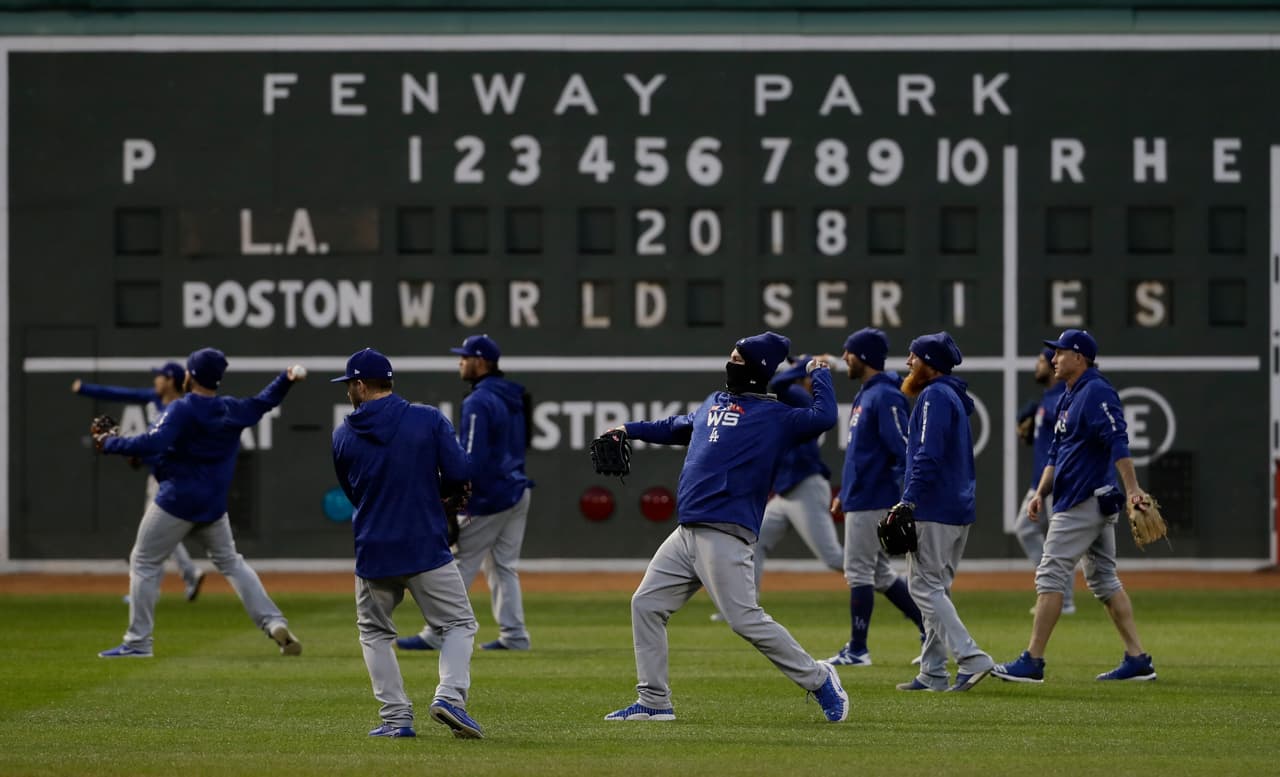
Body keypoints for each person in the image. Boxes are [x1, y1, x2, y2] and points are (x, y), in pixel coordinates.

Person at [603, 332, 848, 723]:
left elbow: (825, 416)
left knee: (744, 619)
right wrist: (628, 429)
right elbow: (674, 426)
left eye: (737, 357)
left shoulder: (776, 417)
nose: (730, 362)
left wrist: (818, 372)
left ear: (756, 367)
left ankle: (819, 679)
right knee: (646, 604)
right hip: (687, 530)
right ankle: (654, 701)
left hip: (726, 529)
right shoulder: (714, 402)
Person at [93, 348, 302, 659]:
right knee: (232, 563)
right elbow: (265, 401)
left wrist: (111, 442)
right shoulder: (231, 409)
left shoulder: (183, 408)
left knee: (144, 561)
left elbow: (153, 442)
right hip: (213, 505)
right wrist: (286, 379)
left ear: (190, 375)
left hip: (176, 501)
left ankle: (138, 643)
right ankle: (273, 622)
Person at [331, 348, 485, 739]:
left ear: (361, 385)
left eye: (349, 384)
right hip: (424, 544)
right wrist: (440, 494)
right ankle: (449, 696)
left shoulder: (342, 435)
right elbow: (459, 472)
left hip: (373, 548)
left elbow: (353, 493)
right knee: (459, 624)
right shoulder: (428, 419)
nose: (348, 391)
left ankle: (396, 718)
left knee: (375, 633)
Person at [994, 329, 1157, 684]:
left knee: (1050, 574)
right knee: (1104, 580)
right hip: (1075, 497)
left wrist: (1132, 489)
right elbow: (1056, 453)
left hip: (1085, 498)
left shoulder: (1097, 391)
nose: (1054, 358)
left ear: (1079, 357)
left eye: (1061, 352)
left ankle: (1033, 660)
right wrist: (1040, 492)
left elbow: (1118, 440)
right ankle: (1138, 659)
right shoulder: (1070, 394)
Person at [397, 334, 533, 652]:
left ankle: (437, 632)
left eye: (465, 357)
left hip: (489, 497)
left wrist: (452, 489)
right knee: (503, 566)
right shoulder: (512, 394)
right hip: (517, 487)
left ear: (481, 362)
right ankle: (514, 635)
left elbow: (470, 457)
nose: (460, 362)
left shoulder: (478, 401)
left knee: (458, 563)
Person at [892, 332, 995, 693]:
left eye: (914, 356)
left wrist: (908, 500)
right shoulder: (951, 395)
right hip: (955, 507)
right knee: (937, 589)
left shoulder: (935, 395)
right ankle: (933, 671)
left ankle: (971, 657)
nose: (908, 362)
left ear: (931, 363)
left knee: (923, 587)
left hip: (933, 506)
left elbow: (928, 453)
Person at [824, 328, 926, 667]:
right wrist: (845, 491)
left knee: (858, 572)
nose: (844, 357)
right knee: (880, 574)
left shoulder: (884, 396)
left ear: (864, 356)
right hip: (861, 495)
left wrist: (900, 492)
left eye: (849, 351)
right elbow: (861, 454)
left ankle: (858, 649)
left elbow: (903, 448)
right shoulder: (867, 394)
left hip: (873, 497)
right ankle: (929, 628)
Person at [73, 363, 205, 601]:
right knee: (159, 533)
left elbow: (173, 448)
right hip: (158, 476)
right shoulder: (153, 399)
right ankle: (186, 574)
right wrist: (85, 389)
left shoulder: (182, 409)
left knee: (154, 535)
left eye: (160, 376)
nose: (156, 380)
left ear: (171, 380)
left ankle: (151, 589)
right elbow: (118, 393)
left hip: (172, 477)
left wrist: (139, 454)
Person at [749, 353, 842, 591]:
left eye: (795, 367)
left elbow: (778, 383)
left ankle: (892, 580)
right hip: (786, 491)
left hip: (805, 487)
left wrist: (806, 365)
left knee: (833, 558)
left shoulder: (799, 396)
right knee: (753, 542)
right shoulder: (794, 395)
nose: (790, 369)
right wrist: (804, 364)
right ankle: (746, 603)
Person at [1011, 348, 1074, 615]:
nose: (1037, 366)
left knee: (1057, 543)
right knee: (1025, 529)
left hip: (1055, 481)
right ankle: (1054, 590)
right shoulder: (1048, 398)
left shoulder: (1062, 398)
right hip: (1039, 482)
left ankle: (1063, 599)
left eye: (1041, 361)